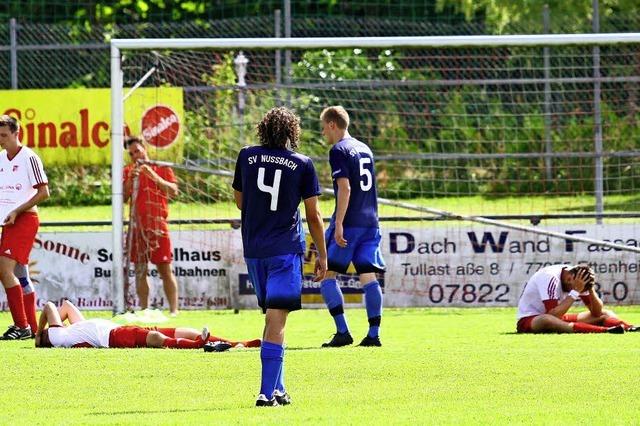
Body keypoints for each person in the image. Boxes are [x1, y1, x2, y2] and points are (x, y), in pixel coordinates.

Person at [232, 107, 327, 407]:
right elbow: (313, 215)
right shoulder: (302, 164)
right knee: (277, 318)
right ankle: (264, 392)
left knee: (274, 317)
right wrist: (322, 255)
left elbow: (239, 202)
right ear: (292, 133)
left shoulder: (246, 156)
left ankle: (279, 389)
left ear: (263, 129)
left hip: (255, 251)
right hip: (284, 251)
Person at [318, 106, 386, 348]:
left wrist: (338, 224)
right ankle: (373, 334)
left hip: (350, 224)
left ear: (333, 124)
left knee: (327, 276)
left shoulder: (338, 150)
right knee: (368, 277)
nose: (323, 132)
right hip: (371, 223)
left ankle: (343, 332)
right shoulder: (364, 148)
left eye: (324, 126)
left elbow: (345, 188)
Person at [35, 299, 261, 349]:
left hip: (118, 331)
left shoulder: (73, 330)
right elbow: (50, 307)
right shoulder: (57, 337)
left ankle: (238, 344)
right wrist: (38, 334)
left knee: (183, 331)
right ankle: (201, 345)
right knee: (156, 340)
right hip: (114, 336)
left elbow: (65, 305)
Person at [0, 114, 49, 340]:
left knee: (4, 269)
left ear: (16, 133)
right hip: (9, 222)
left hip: (25, 219)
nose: (1, 140)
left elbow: (44, 192)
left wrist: (18, 210)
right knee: (20, 274)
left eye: (4, 135)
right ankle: (31, 325)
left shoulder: (29, 157)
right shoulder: (2, 158)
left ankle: (21, 326)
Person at [123, 136, 179, 315]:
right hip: (137, 228)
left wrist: (152, 175)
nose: (135, 156)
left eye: (137, 151)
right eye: (131, 153)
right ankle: (144, 309)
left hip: (159, 226)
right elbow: (123, 198)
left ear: (145, 148)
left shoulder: (161, 167)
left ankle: (174, 310)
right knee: (140, 270)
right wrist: (130, 181)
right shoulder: (128, 171)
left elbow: (174, 191)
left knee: (165, 269)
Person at [516, 264, 638, 334]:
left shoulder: (577, 277)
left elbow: (596, 312)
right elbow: (553, 314)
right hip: (530, 319)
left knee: (606, 313)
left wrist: (590, 289)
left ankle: (629, 327)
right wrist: (575, 292)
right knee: (548, 320)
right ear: (569, 279)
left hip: (558, 316)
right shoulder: (550, 278)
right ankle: (605, 331)